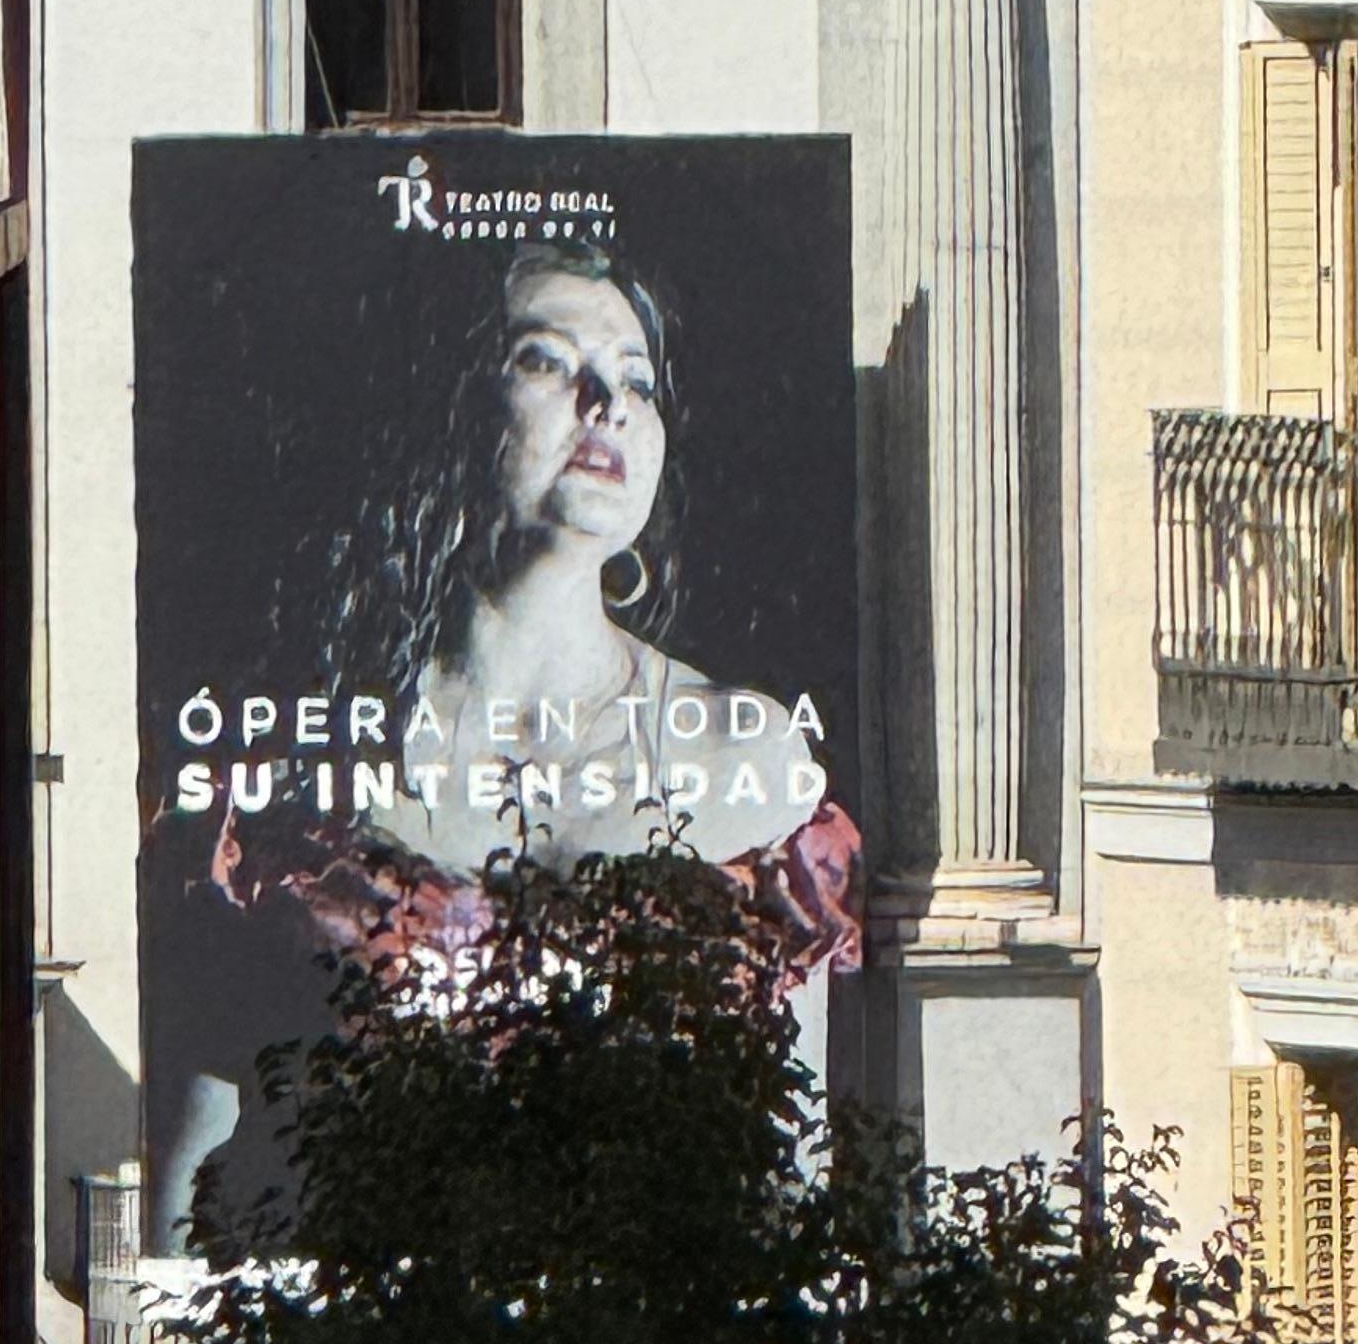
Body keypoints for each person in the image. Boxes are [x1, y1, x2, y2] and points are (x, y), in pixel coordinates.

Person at [149, 239, 859, 1236]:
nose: (605, 397)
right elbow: (195, 1167)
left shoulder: (749, 757)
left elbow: (792, 1173)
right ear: (453, 408)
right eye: (545, 358)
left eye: (638, 379)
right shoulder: (298, 765)